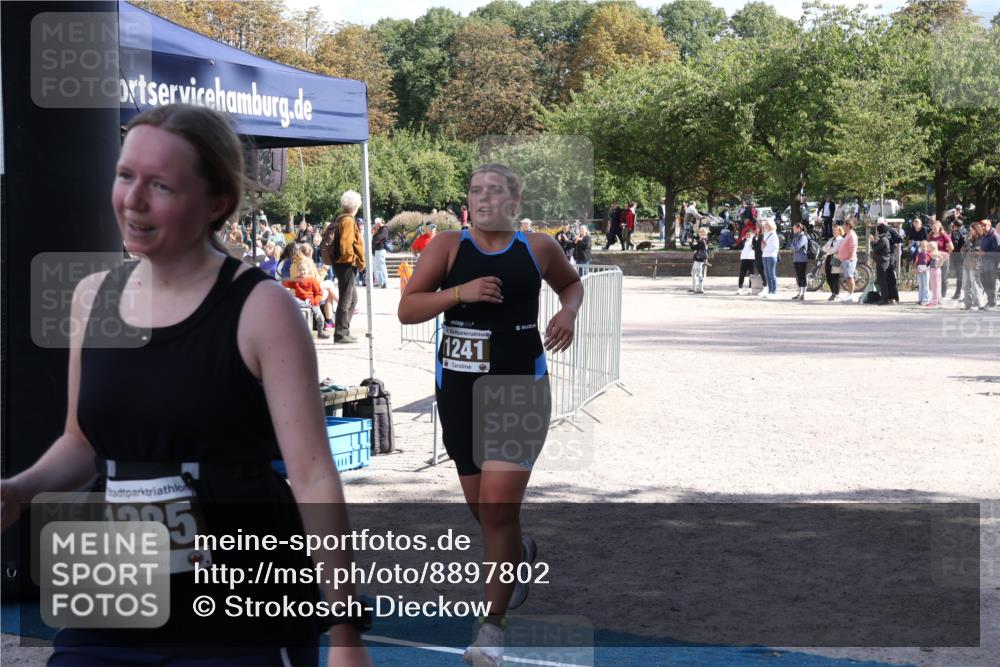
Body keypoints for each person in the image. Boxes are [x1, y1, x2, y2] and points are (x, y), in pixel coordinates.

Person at [0, 104, 370, 666]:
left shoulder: (262, 308)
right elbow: (82, 441)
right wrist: (20, 489)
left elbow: (314, 472)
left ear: (216, 203)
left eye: (161, 185)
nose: (133, 199)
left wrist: (345, 634)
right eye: (126, 176)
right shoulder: (90, 299)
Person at [398, 163, 583, 667]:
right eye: (475, 191)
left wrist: (567, 312)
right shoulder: (447, 248)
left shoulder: (537, 247)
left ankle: (492, 628)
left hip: (519, 387)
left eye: (493, 191)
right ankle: (518, 553)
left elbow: (571, 285)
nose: (482, 199)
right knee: (484, 510)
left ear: (514, 200)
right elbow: (408, 309)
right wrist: (460, 293)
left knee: (498, 508)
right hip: (458, 390)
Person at [324, 190, 366, 343]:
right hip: (345, 263)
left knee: (352, 299)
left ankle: (344, 330)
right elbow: (346, 244)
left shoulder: (340, 218)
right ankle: (340, 334)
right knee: (346, 299)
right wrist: (352, 260)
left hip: (341, 263)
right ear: (356, 206)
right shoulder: (348, 220)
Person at [287, 244, 332, 338]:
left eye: (304, 271)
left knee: (320, 316)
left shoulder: (311, 280)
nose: (302, 272)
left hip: (311, 300)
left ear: (308, 272)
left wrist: (316, 300)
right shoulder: (297, 279)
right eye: (300, 270)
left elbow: (319, 292)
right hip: (301, 300)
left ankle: (320, 331)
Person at [960, 220, 987, 310]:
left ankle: (980, 304)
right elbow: (962, 250)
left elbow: (977, 250)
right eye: (970, 230)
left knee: (975, 284)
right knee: (965, 285)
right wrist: (968, 242)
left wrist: (970, 248)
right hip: (966, 264)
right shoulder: (969, 238)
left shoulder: (982, 239)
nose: (970, 231)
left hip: (975, 264)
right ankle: (968, 305)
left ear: (977, 229)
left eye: (972, 230)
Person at [927, 220, 954, 298]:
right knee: (934, 277)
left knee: (944, 277)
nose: (933, 228)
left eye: (935, 227)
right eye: (932, 227)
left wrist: (946, 255)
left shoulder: (944, 235)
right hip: (934, 259)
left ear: (940, 228)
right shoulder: (930, 236)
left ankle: (943, 296)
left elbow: (951, 247)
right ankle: (936, 295)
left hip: (943, 258)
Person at [871, 222, 894, 305]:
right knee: (882, 281)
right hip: (882, 262)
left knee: (882, 281)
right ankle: (883, 298)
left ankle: (884, 299)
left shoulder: (884, 239)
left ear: (879, 231)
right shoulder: (884, 238)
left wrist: (872, 242)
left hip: (882, 262)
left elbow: (876, 249)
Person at [837, 219, 859, 302]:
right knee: (847, 278)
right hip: (845, 259)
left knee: (850, 277)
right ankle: (849, 294)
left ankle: (851, 295)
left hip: (849, 260)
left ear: (848, 226)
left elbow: (853, 248)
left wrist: (850, 258)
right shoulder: (848, 234)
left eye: (844, 225)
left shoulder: (852, 235)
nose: (843, 227)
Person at [979, 220, 999, 308]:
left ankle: (992, 302)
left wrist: (985, 253)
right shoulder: (984, 235)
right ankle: (990, 301)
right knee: (984, 281)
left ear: (989, 225)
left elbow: (998, 251)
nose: (982, 227)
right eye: (981, 225)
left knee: (991, 282)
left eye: (984, 225)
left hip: (992, 263)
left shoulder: (994, 235)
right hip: (984, 262)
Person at [822, 225, 844, 301]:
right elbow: (824, 247)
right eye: (833, 230)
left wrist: (828, 250)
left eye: (835, 230)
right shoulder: (832, 239)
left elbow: (835, 249)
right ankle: (833, 292)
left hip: (835, 258)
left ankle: (836, 294)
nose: (834, 231)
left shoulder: (840, 239)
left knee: (835, 277)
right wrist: (828, 250)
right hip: (828, 258)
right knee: (828, 277)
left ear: (839, 231)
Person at [760, 221, 780, 298]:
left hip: (771, 256)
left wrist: (765, 247)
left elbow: (775, 247)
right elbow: (763, 246)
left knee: (772, 274)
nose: (765, 227)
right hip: (764, 255)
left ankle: (774, 291)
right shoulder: (766, 234)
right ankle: (770, 290)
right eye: (765, 225)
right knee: (767, 274)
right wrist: (763, 247)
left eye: (767, 225)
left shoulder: (774, 235)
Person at [790, 222, 809, 300]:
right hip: (796, 259)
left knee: (802, 276)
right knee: (798, 276)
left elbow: (796, 247)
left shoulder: (803, 237)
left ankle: (803, 293)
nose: (793, 229)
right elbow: (791, 246)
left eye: (794, 228)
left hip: (802, 259)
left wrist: (793, 247)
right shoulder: (795, 237)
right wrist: (793, 247)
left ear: (798, 228)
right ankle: (799, 292)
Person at [736, 225, 757, 295]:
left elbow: (757, 249)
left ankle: (750, 289)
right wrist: (742, 239)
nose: (748, 235)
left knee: (751, 275)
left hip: (752, 259)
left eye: (749, 234)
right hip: (744, 259)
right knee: (742, 274)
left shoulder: (754, 240)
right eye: (747, 234)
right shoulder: (744, 240)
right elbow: (739, 246)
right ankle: (740, 289)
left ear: (752, 234)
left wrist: (753, 247)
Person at [950, 220, 967, 299]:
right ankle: (959, 293)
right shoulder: (964, 231)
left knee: (960, 276)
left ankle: (958, 293)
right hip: (964, 256)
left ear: (954, 224)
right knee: (962, 275)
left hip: (957, 256)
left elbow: (955, 244)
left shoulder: (955, 232)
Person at [689, 227, 709, 294]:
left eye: (700, 232)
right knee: (695, 273)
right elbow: (698, 249)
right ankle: (695, 288)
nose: (699, 233)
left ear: (703, 233)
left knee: (697, 274)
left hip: (698, 259)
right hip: (700, 259)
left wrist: (690, 242)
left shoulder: (702, 241)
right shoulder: (705, 240)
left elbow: (694, 248)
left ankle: (700, 289)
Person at [371, 217, 390, 288]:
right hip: (377, 250)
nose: (376, 225)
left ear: (379, 223)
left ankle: (385, 282)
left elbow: (377, 238)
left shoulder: (384, 229)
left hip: (381, 249)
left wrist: (375, 237)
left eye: (376, 224)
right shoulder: (379, 230)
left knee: (382, 266)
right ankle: (381, 282)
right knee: (379, 267)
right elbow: (375, 239)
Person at [914, 240, 932, 305]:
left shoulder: (929, 255)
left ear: (927, 247)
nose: (923, 248)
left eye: (925, 246)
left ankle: (926, 299)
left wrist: (927, 269)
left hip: (926, 272)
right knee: (921, 285)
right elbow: (916, 263)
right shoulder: (918, 255)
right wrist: (916, 269)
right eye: (922, 246)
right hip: (920, 272)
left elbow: (931, 264)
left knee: (925, 285)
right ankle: (920, 299)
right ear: (920, 247)